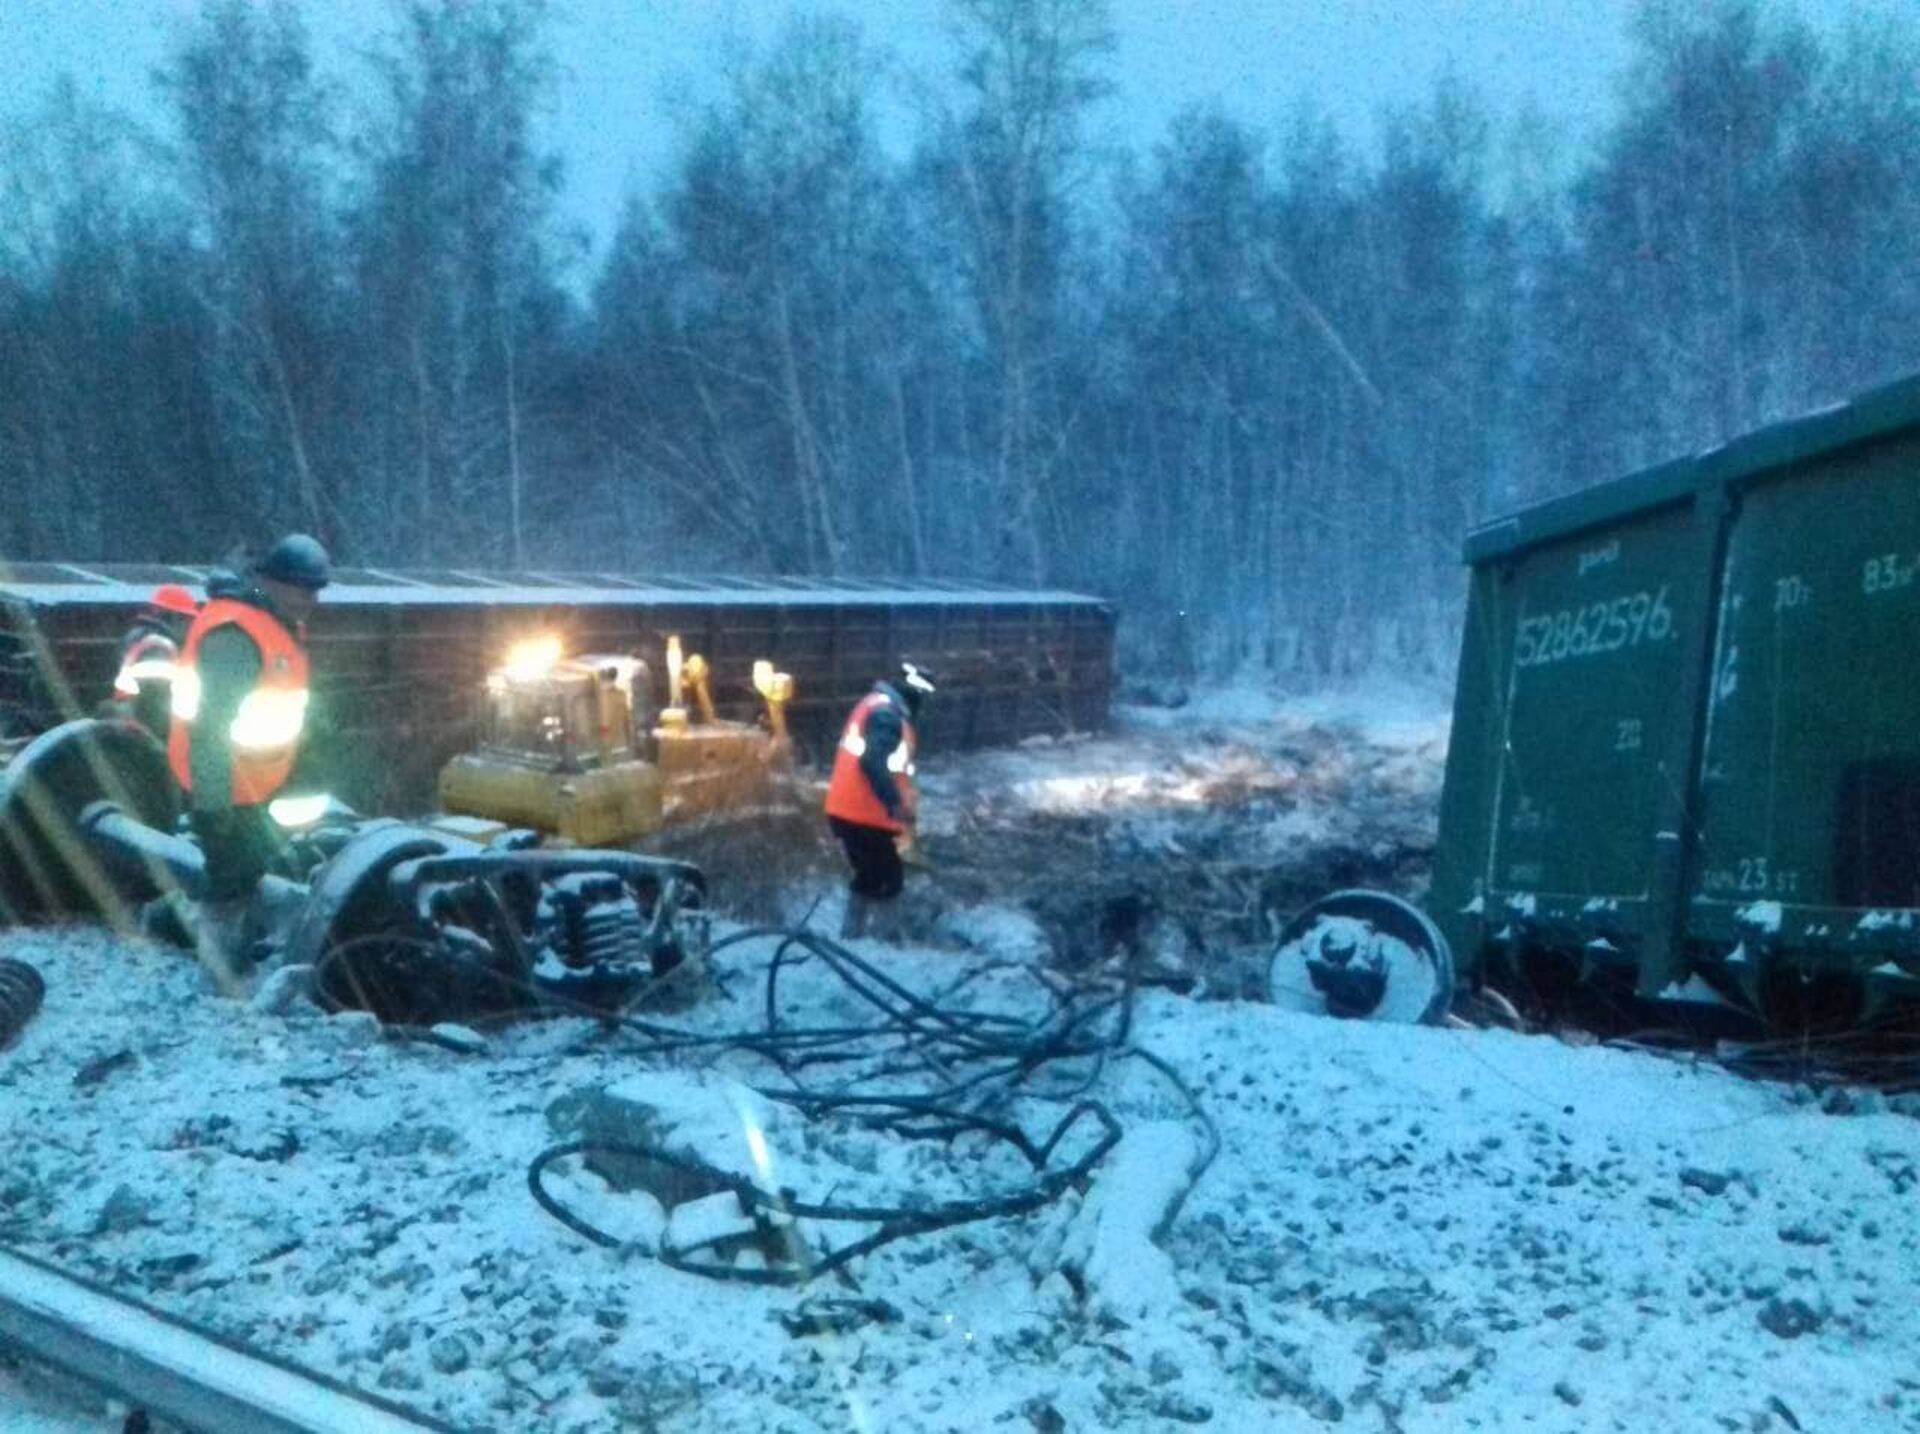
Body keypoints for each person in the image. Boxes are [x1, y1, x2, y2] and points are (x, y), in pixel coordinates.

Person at [167, 534, 330, 986]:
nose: (311, 600)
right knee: (227, 886)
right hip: (227, 788)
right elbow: (210, 728)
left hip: (255, 782)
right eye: (303, 589)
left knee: (244, 872)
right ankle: (218, 974)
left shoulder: (272, 624)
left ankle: (203, 938)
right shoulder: (236, 634)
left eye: (316, 590)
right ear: (270, 582)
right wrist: (213, 803)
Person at [824, 661, 937, 937]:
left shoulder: (875, 705)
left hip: (848, 812)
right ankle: (880, 946)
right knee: (889, 881)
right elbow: (873, 762)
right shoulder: (887, 716)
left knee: (868, 877)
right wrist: (895, 803)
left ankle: (852, 938)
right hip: (863, 815)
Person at [107, 585, 200, 740]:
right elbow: (155, 698)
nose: (189, 627)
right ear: (171, 617)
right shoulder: (158, 645)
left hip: (131, 720)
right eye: (187, 619)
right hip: (146, 728)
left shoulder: (138, 637)